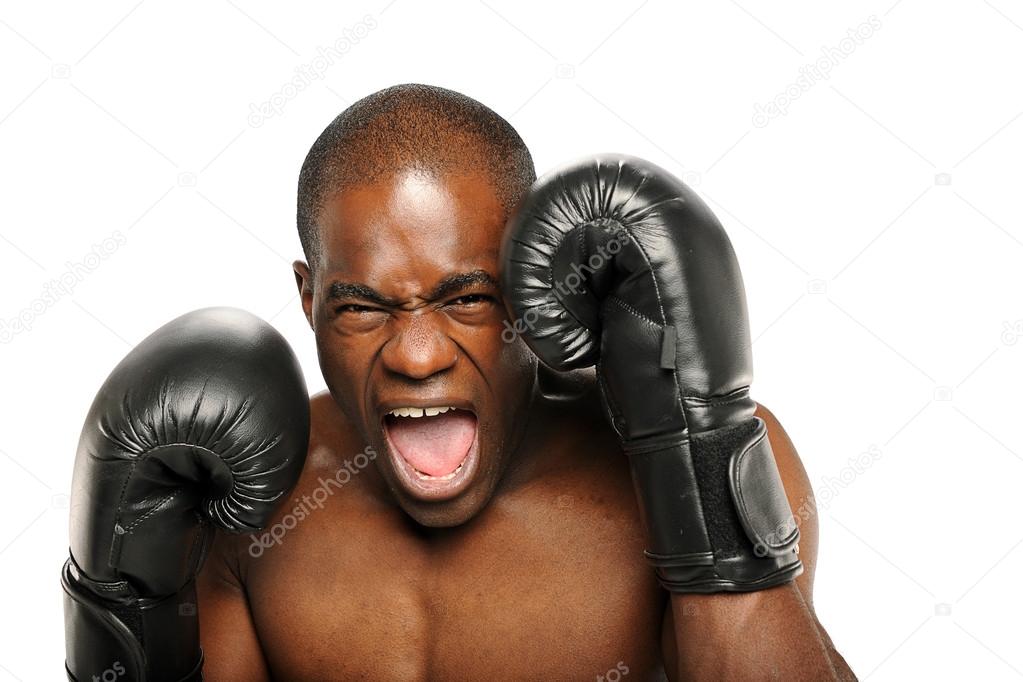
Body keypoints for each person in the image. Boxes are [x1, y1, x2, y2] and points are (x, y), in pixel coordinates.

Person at [64, 83, 853, 680]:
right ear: (309, 299)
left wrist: (695, 451)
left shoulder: (677, 467)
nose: (415, 356)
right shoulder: (249, 510)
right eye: (363, 306)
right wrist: (116, 607)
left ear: (536, 285)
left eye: (466, 297)